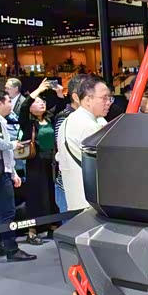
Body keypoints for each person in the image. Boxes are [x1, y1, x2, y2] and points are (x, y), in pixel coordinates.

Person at [0, 90, 37, 262]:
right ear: (0, 103)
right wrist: (11, 144)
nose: (11, 105)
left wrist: (12, 172)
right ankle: (12, 249)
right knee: (7, 212)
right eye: (8, 101)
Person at [57, 75, 111, 210]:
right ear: (87, 100)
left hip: (76, 199)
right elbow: (108, 164)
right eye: (104, 98)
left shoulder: (69, 120)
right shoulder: (90, 127)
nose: (108, 102)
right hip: (92, 203)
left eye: (109, 98)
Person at [18, 93, 57, 244]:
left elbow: (59, 104)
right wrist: (38, 90)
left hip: (51, 162)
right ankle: (32, 231)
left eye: (43, 101)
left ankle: (53, 226)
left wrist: (58, 92)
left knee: (52, 194)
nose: (42, 104)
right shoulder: (28, 122)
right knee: (35, 196)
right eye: (37, 102)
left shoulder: (50, 119)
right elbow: (23, 107)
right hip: (35, 163)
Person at [52, 74, 88, 212]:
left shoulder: (90, 117)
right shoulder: (65, 118)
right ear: (76, 97)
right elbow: (63, 152)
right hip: (69, 185)